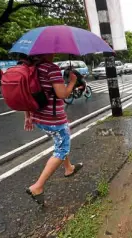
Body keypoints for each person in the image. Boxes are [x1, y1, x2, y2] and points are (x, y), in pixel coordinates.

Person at [24, 54, 83, 206]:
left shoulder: (30, 68)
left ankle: (68, 168)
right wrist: (72, 82)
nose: (54, 53)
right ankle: (37, 186)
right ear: (46, 52)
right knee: (62, 148)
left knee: (61, 140)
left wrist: (27, 115)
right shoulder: (51, 69)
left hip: (38, 117)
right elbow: (62, 94)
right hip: (53, 120)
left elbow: (26, 94)